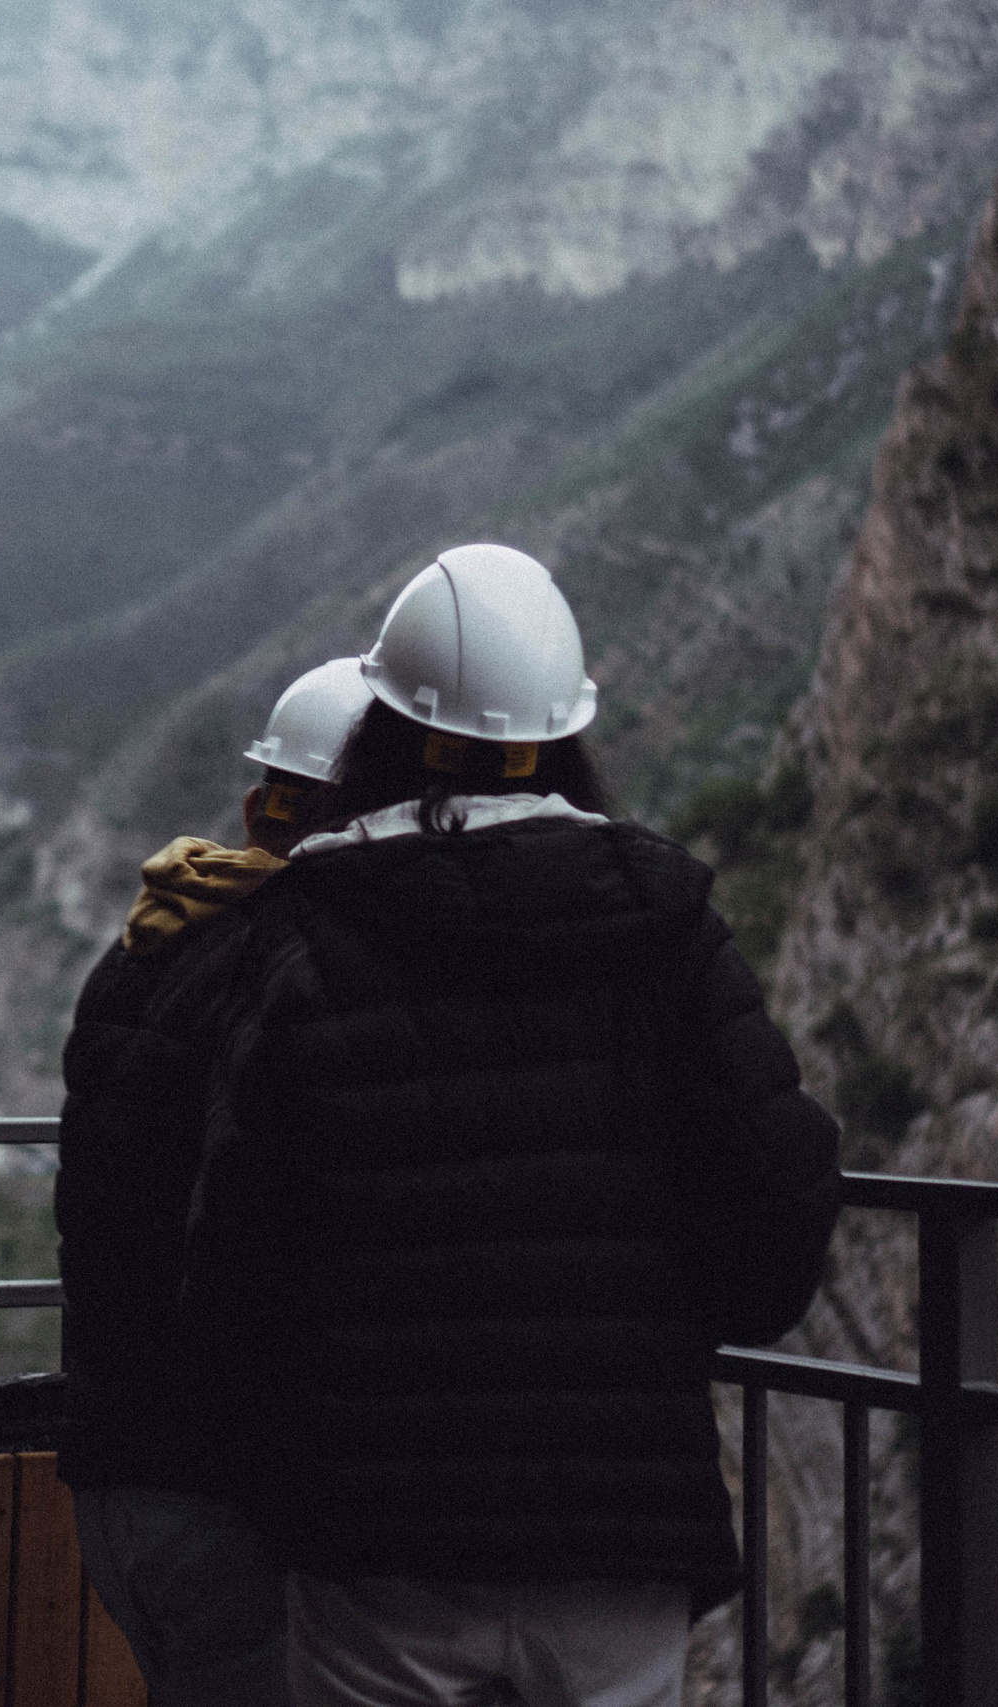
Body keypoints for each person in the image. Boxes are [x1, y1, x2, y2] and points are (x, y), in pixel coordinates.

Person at [181, 544, 842, 1707]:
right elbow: (774, 1209)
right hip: (619, 1524)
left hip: (377, 1531)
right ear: (561, 732)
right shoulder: (668, 924)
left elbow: (234, 1260)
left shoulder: (301, 941)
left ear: (375, 730)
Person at [55, 656, 374, 1707]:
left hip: (115, 1478)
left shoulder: (148, 947)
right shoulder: (304, 973)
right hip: (228, 1496)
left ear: (255, 803)